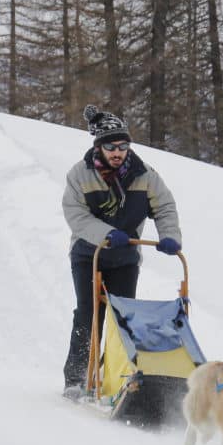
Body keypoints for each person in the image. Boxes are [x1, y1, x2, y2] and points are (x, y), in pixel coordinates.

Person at [61, 105, 182, 400]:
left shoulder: (144, 175)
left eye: (123, 146)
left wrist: (169, 237)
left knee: (123, 317)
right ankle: (77, 377)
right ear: (99, 147)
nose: (118, 152)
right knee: (90, 313)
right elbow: (75, 213)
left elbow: (164, 206)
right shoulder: (80, 174)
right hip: (89, 253)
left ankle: (120, 377)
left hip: (125, 255)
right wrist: (105, 234)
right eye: (111, 146)